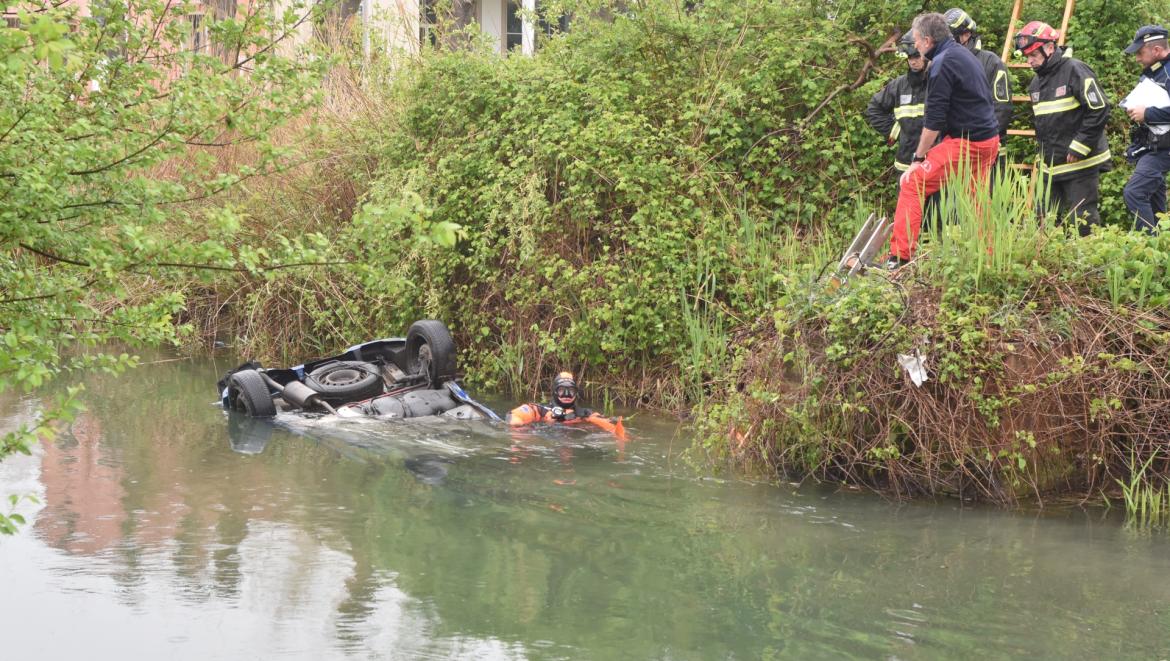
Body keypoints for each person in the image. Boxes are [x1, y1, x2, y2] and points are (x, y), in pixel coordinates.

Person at [885, 12, 1001, 268]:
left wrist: (917, 159)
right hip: (988, 141)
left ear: (927, 41)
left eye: (916, 40)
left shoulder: (941, 64)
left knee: (912, 182)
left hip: (967, 144)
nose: (914, 46)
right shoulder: (963, 55)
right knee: (976, 198)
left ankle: (899, 258)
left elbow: (933, 121)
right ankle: (990, 255)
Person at [1014, 21, 1112, 235]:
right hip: (1051, 168)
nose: (1029, 60)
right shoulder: (1035, 85)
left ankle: (1093, 267)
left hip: (1081, 163)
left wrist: (1080, 145)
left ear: (1050, 47)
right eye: (1026, 55)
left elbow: (1100, 108)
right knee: (1044, 221)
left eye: (1033, 54)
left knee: (1084, 221)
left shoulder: (1075, 70)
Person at [865, 32, 942, 230]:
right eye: (909, 58)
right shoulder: (899, 85)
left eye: (916, 57)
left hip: (935, 159)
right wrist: (895, 131)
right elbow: (874, 108)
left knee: (937, 217)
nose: (913, 62)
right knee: (908, 217)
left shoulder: (938, 81)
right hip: (905, 161)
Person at [944, 8, 1013, 160]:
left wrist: (982, 142)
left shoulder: (991, 63)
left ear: (966, 35)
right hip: (954, 152)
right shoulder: (945, 63)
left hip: (987, 151)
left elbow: (1001, 107)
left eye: (949, 37)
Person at [1121, 24, 1170, 234]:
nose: (1137, 59)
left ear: (1157, 51)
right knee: (1158, 207)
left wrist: (1147, 113)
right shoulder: (1153, 72)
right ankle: (1163, 249)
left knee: (1134, 193)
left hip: (1164, 149)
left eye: (1140, 53)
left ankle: (1150, 247)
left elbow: (1152, 111)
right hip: (1152, 146)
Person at [506, 371, 626, 439]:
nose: (567, 395)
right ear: (554, 392)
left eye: (571, 391)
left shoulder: (584, 414)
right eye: (562, 390)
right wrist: (521, 426)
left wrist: (618, 432)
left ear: (576, 393)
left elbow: (609, 425)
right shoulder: (540, 410)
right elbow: (515, 417)